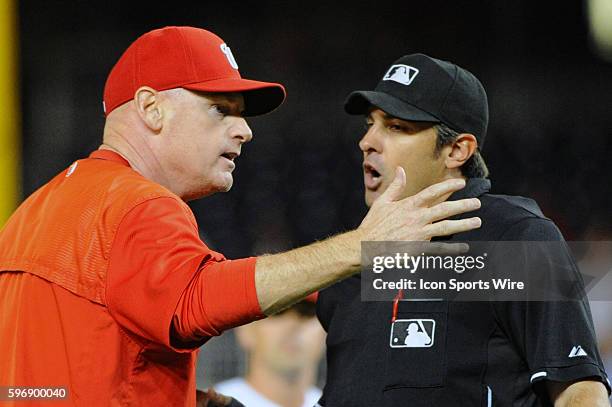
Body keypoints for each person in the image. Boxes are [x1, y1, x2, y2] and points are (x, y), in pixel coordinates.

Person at [0, 28, 483, 407]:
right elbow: (195, 300)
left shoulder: (33, 212)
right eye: (220, 109)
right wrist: (364, 245)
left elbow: (56, 374)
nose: (245, 130)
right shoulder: (136, 202)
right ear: (151, 108)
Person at [316, 54, 612, 406]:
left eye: (396, 126)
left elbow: (579, 391)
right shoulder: (351, 266)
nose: (367, 141)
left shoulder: (515, 241)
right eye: (370, 123)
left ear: (457, 150)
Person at [215, 297, 324, 407]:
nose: (291, 325)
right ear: (246, 329)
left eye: (306, 312)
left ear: (326, 331)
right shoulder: (210, 403)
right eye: (277, 312)